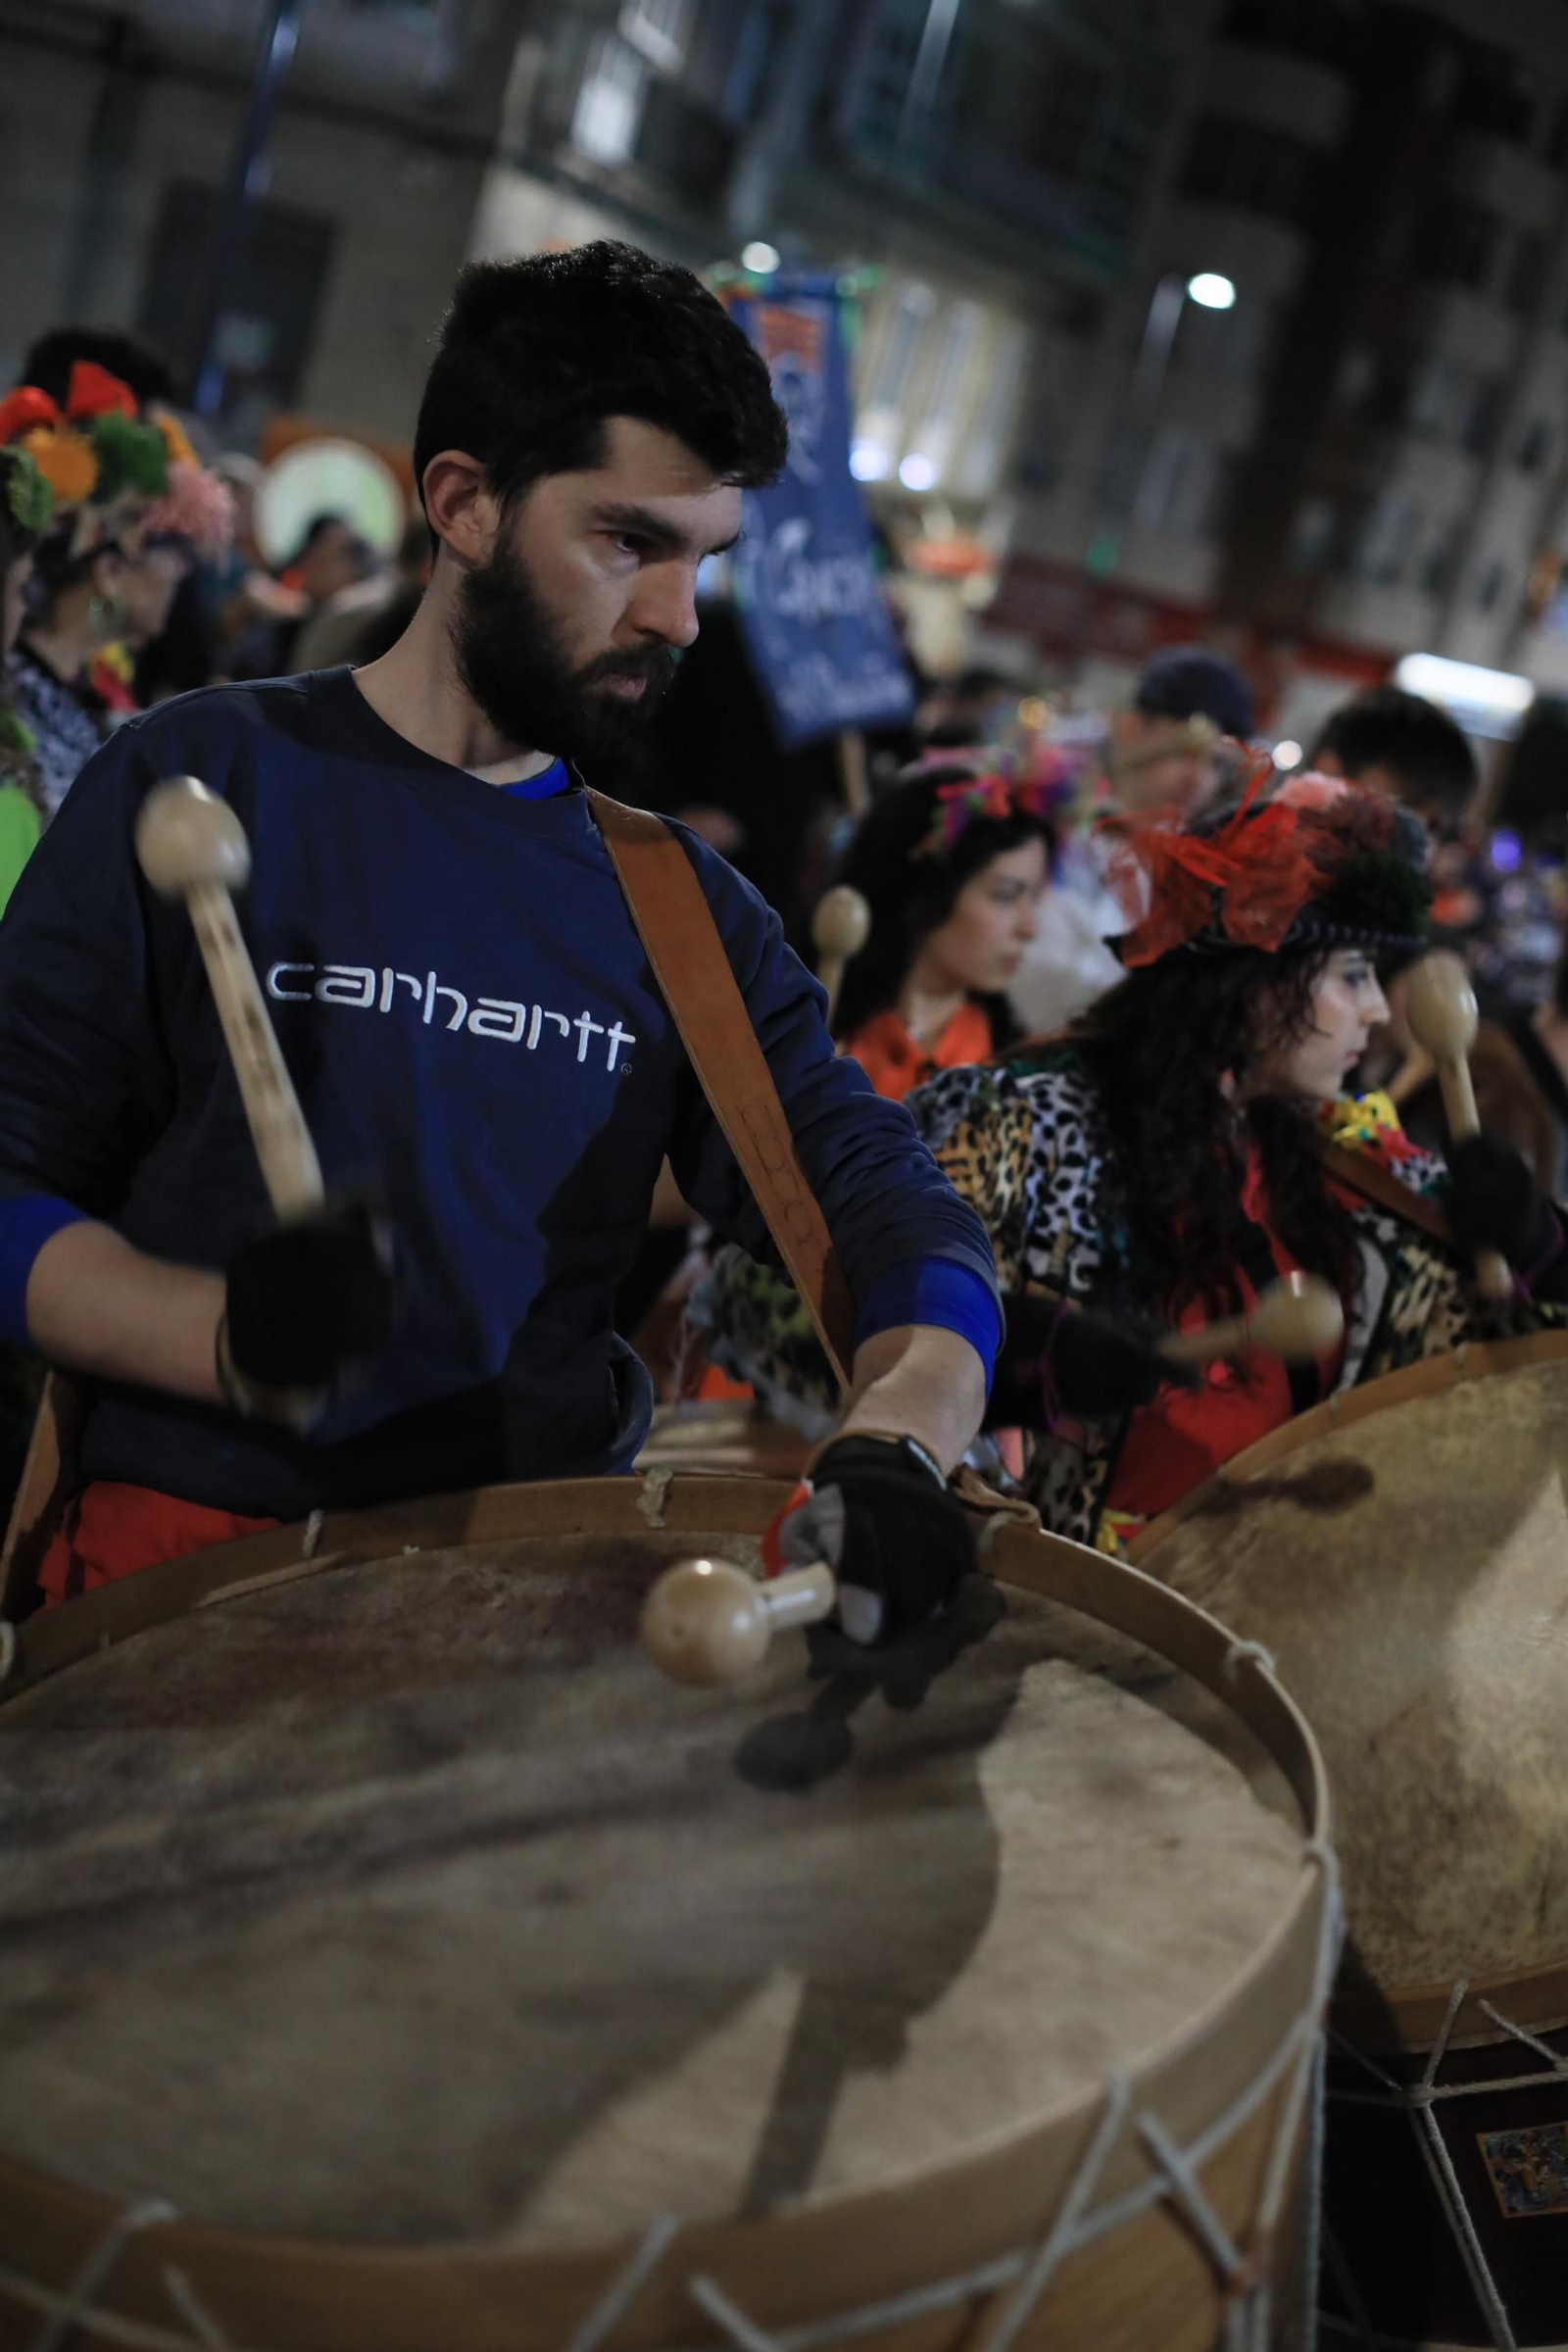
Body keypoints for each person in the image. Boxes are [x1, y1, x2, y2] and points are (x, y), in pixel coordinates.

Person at [0, 240, 998, 1647]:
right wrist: (219, 1335)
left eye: (704, 558)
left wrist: (906, 1426)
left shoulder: (683, 912)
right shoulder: (204, 773)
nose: (678, 616)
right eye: (627, 541)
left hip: (504, 1622)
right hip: (166, 1598)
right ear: (463, 503)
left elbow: (886, 1205)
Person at [906, 769, 1568, 1548]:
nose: (1380, 1009)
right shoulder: (1023, 1117)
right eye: (1352, 975)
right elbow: (802, 1310)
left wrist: (1540, 1246)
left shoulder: (1337, 1159)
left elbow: (1502, 1379)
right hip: (1051, 1609)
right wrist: (1008, 1351)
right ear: (1256, 983)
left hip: (1256, 1619)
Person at [682, 754, 1058, 1419]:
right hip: (731, 1370)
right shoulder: (799, 1018)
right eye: (1006, 895)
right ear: (929, 890)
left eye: (1035, 897)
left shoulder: (1009, 1078)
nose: (1030, 927)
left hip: (881, 1387)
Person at [1009, 646, 1255, 1036]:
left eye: (1218, 764)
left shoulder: (1193, 887)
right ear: (1132, 728)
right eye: (1184, 752)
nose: (1199, 779)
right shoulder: (1045, 817)